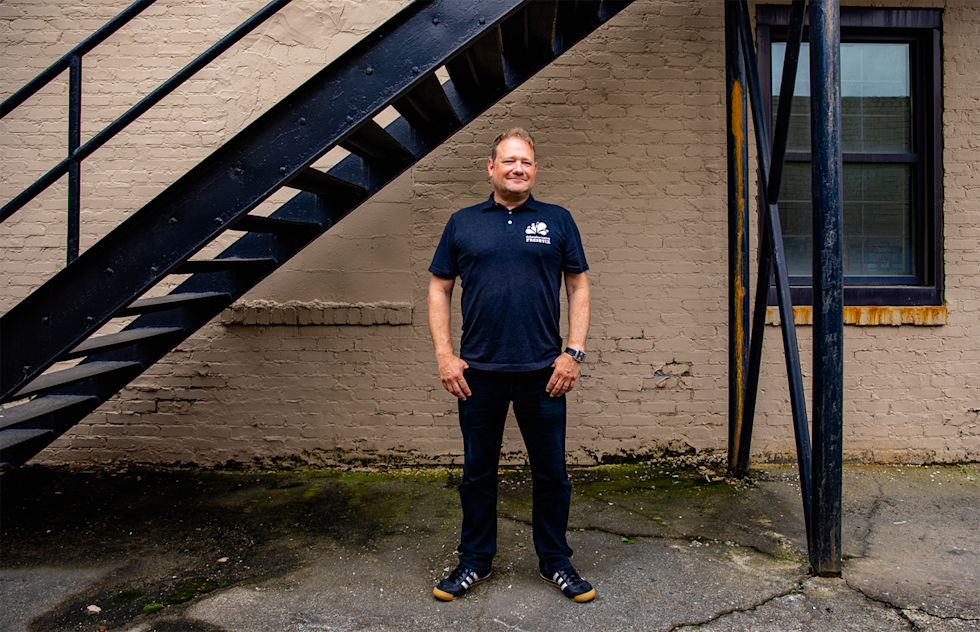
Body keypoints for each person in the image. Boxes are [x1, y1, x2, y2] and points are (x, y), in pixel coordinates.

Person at [427, 128, 594, 603]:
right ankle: (475, 561)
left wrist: (573, 352)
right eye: (509, 161)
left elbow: (578, 286)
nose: (518, 168)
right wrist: (445, 356)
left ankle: (555, 562)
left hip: (544, 373)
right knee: (478, 472)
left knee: (552, 473)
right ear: (491, 168)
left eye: (526, 162)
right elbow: (439, 288)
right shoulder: (462, 222)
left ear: (534, 169)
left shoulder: (557, 220)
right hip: (478, 373)